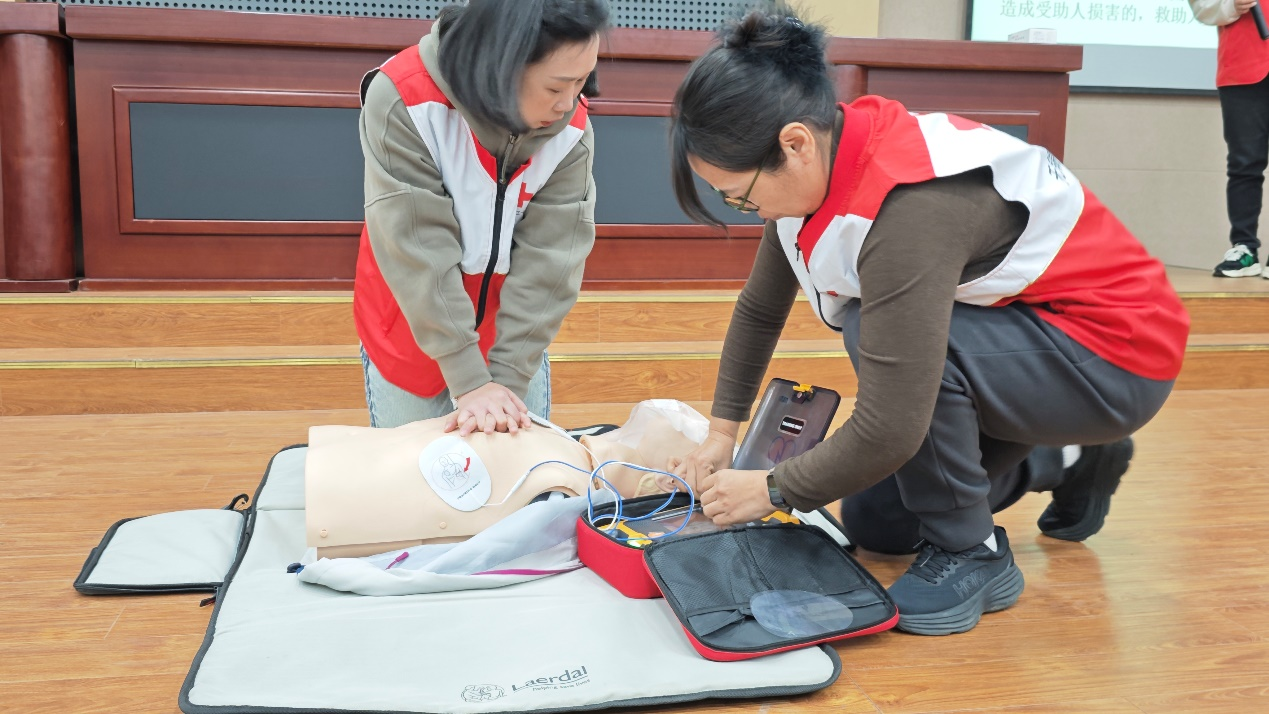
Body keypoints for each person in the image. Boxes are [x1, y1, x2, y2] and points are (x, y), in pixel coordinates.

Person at [667, 3, 1189, 636]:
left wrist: (772, 488)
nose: (750, 212)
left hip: (1114, 358)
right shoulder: (826, 155)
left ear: (794, 144)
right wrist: (721, 433)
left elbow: (891, 426)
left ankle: (975, 554)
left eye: (741, 197)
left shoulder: (906, 207)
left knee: (868, 331)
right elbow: (759, 310)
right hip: (1026, 345)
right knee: (881, 526)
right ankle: (1070, 457)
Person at [354, 0, 608, 434]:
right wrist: (468, 379)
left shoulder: (571, 129)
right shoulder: (405, 98)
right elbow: (419, 247)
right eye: (556, 87)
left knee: (519, 470)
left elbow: (552, 259)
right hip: (412, 328)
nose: (568, 104)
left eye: (582, 81)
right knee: (418, 472)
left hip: (509, 337)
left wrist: (506, 382)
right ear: (501, 63)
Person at [1190, 0, 1269, 277]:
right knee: (1244, 162)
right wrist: (1232, 5)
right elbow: (1202, 7)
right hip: (1243, 66)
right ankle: (1244, 247)